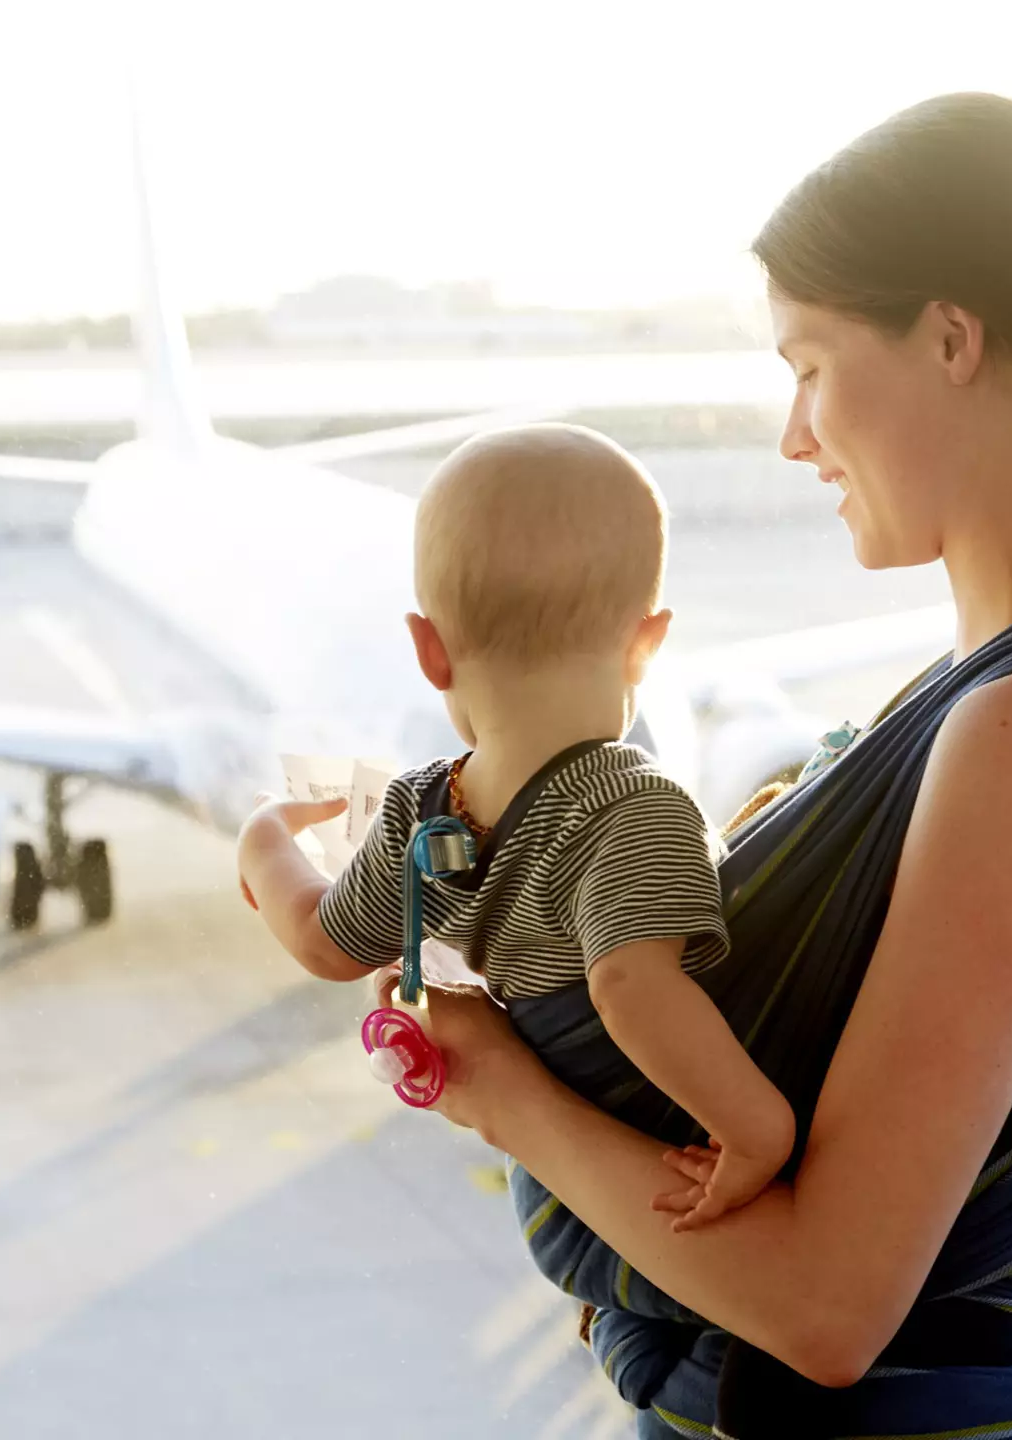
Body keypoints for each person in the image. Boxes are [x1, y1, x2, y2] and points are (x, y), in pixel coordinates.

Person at [383, 93, 1012, 1438]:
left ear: (950, 337)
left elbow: (830, 1306)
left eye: (810, 364)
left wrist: (497, 1089)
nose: (794, 433)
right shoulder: (1008, 693)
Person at [236, 423, 797, 1229]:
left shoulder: (416, 811)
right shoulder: (640, 807)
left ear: (430, 651)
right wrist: (756, 1130)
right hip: (645, 1169)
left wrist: (264, 846)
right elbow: (628, 983)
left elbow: (326, 943)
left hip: (559, 1197)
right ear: (648, 643)